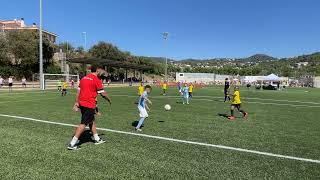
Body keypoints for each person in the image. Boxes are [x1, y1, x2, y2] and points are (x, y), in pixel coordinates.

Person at [68, 65, 111, 150]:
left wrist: (76, 102)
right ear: (97, 70)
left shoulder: (84, 78)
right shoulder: (97, 80)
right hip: (89, 104)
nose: (102, 72)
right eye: (101, 70)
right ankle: (72, 143)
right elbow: (102, 93)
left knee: (91, 121)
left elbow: (78, 92)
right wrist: (109, 99)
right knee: (84, 123)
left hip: (82, 104)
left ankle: (97, 139)